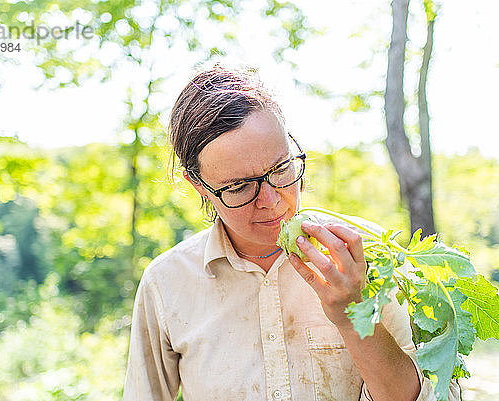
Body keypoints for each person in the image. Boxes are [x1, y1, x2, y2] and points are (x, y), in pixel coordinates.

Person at [123, 64, 459, 401]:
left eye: (281, 168)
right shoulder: (166, 283)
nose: (271, 201)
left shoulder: (373, 258)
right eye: (239, 186)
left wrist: (355, 316)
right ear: (199, 186)